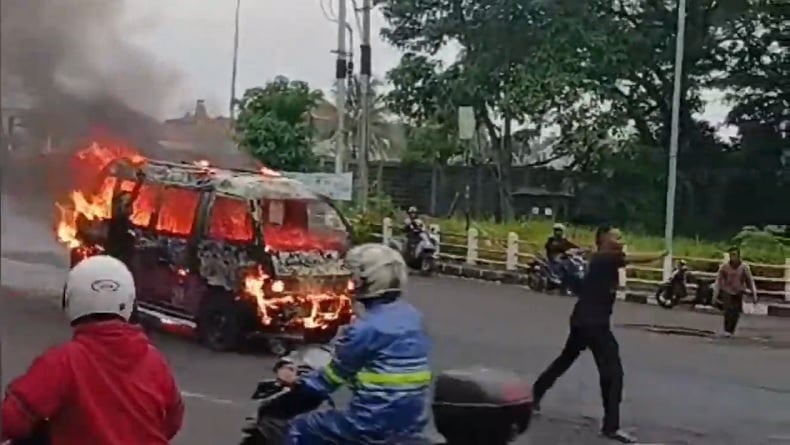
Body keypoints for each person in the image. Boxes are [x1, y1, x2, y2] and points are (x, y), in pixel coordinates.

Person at [1, 255, 184, 445]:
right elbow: (172, 421)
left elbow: (12, 418)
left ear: (71, 298)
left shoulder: (65, 361)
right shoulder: (156, 362)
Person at [279, 243, 432, 444]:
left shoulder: (365, 328)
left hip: (369, 424)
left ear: (366, 281)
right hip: (412, 423)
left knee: (300, 427)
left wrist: (297, 382)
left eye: (354, 277)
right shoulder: (413, 318)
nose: (351, 283)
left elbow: (329, 379)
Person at [531, 225, 665, 443]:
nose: (621, 240)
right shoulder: (606, 258)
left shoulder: (600, 259)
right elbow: (634, 258)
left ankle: (535, 394)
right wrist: (660, 254)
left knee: (565, 360)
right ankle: (611, 427)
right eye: (617, 237)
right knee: (613, 373)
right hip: (595, 325)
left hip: (582, 321)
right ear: (604, 240)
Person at [713, 246, 758, 337]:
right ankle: (727, 330)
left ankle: (732, 329)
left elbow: (750, 280)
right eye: (731, 255)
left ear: (738, 256)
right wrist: (715, 295)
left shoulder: (744, 267)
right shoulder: (724, 267)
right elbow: (718, 281)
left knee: (736, 312)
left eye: (734, 255)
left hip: (739, 291)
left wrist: (754, 294)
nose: (732, 257)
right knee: (728, 310)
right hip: (727, 291)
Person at [105, 169, 145, 266]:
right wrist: (140, 181)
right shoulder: (119, 207)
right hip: (117, 237)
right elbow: (133, 196)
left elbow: (132, 196)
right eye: (126, 196)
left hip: (116, 238)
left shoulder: (117, 206)